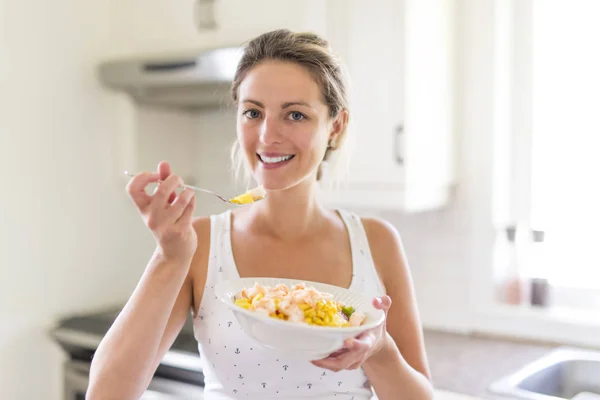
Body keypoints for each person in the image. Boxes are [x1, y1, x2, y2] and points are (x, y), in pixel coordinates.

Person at [87, 29, 433, 400]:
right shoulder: (197, 244)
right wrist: (169, 257)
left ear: (336, 126)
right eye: (253, 112)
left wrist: (381, 352)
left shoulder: (376, 243)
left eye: (295, 115)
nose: (268, 135)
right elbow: (106, 393)